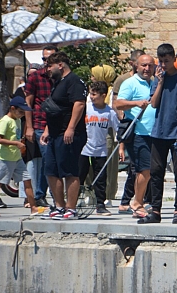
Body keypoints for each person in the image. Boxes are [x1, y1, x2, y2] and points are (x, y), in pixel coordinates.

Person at [139, 43, 177, 224]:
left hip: (176, 133)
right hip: (159, 132)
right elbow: (153, 103)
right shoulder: (157, 79)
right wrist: (160, 82)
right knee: (156, 173)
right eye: (160, 61)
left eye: (167, 61)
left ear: (173, 59)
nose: (163, 64)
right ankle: (156, 210)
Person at [39, 52, 88, 220]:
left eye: (49, 66)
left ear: (60, 65)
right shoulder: (57, 83)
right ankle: (59, 206)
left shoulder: (74, 81)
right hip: (54, 134)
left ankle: (71, 208)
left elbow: (79, 104)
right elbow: (54, 108)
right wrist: (46, 130)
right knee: (51, 170)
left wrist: (71, 128)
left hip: (68, 134)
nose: (47, 70)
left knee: (69, 171)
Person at [115, 54, 157, 220]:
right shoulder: (130, 83)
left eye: (150, 66)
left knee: (150, 171)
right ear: (137, 66)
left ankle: (143, 201)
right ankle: (136, 203)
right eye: (144, 65)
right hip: (138, 133)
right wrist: (136, 103)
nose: (147, 69)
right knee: (144, 170)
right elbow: (118, 104)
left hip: (153, 133)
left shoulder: (155, 83)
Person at [0, 97, 42, 217]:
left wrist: (20, 143)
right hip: (5, 158)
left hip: (16, 157)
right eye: (20, 112)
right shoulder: (5, 121)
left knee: (27, 180)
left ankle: (33, 207)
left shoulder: (17, 120)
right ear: (12, 108)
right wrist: (16, 143)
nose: (22, 115)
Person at [24, 44, 58, 209]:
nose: (46, 62)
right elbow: (28, 103)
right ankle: (42, 195)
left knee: (52, 159)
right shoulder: (35, 77)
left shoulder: (60, 78)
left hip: (58, 125)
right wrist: (29, 127)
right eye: (44, 59)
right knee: (48, 158)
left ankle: (45, 194)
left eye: (50, 59)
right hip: (39, 124)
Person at [79, 81, 119, 216]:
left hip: (100, 149)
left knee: (100, 178)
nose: (91, 97)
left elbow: (118, 130)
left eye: (95, 94)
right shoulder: (86, 108)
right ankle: (74, 202)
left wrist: (121, 146)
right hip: (84, 149)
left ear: (103, 96)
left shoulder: (109, 112)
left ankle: (100, 204)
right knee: (79, 176)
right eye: (91, 93)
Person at [90, 64, 119, 208]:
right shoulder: (92, 92)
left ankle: (107, 194)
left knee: (107, 166)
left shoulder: (111, 92)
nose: (91, 77)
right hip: (92, 133)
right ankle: (91, 193)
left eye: (94, 75)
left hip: (107, 133)